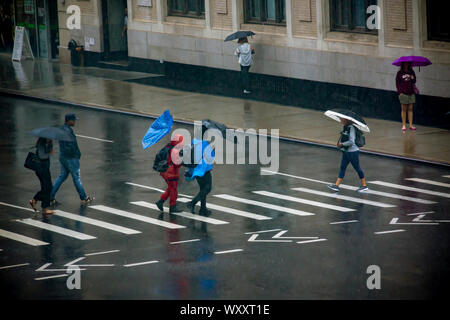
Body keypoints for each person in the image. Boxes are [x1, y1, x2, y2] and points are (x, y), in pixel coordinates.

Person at [50, 113, 93, 205]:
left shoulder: (62, 129)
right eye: (73, 120)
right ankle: (84, 198)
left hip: (63, 157)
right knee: (76, 178)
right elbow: (70, 146)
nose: (74, 122)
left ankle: (50, 196)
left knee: (62, 177)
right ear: (69, 121)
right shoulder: (67, 131)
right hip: (71, 158)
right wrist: (76, 155)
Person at [328, 118, 368, 193]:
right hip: (346, 151)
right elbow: (344, 137)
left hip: (352, 152)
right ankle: (336, 185)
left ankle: (364, 185)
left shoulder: (351, 128)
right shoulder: (345, 127)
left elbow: (351, 141)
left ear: (346, 120)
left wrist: (342, 144)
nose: (340, 120)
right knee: (342, 167)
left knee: (357, 168)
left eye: (342, 119)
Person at [184, 139, 215, 216]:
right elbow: (210, 156)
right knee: (207, 188)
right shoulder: (206, 144)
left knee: (203, 189)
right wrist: (212, 148)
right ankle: (192, 203)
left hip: (196, 170)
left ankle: (203, 209)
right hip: (204, 170)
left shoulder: (194, 142)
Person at [155, 134, 184, 213]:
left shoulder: (169, 147)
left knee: (171, 188)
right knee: (173, 190)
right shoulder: (175, 150)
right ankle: (172, 207)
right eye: (181, 141)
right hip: (171, 173)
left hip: (167, 172)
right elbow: (177, 164)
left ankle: (161, 201)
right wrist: (182, 160)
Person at [29, 138, 54, 215]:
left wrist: (50, 146)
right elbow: (43, 156)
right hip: (42, 169)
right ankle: (44, 208)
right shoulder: (42, 144)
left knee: (46, 187)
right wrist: (49, 149)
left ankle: (34, 200)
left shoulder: (44, 142)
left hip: (44, 168)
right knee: (47, 187)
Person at [396, 61, 417, 132]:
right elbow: (397, 83)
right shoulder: (399, 73)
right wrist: (400, 92)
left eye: (408, 63)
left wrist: (412, 77)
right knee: (404, 109)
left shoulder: (412, 72)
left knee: (410, 109)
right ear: (402, 64)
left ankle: (411, 125)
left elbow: (414, 81)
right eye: (405, 63)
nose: (406, 64)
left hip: (411, 93)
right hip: (403, 93)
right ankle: (404, 125)